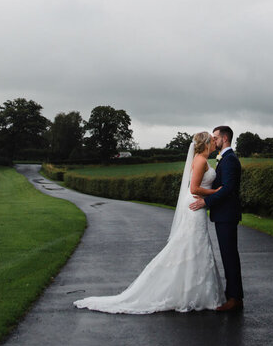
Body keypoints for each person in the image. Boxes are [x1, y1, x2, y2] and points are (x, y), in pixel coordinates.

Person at [73, 131, 225, 313]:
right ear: (206, 143)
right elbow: (194, 188)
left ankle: (195, 292)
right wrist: (215, 192)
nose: (215, 142)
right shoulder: (200, 160)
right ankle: (189, 293)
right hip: (194, 204)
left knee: (195, 245)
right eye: (212, 139)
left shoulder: (204, 160)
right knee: (192, 244)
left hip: (197, 205)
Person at [190, 125, 243, 312]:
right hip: (223, 214)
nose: (214, 140)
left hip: (227, 214)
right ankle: (232, 294)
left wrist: (207, 201)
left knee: (229, 256)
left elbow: (227, 189)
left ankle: (235, 298)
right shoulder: (224, 158)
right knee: (228, 255)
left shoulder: (229, 160)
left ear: (225, 138)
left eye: (216, 137)